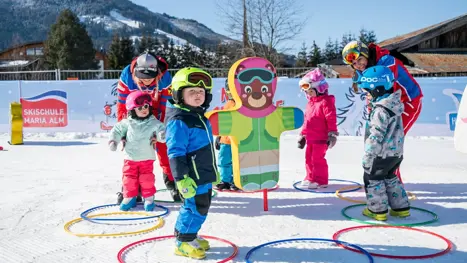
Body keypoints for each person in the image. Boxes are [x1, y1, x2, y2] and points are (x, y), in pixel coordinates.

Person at [342, 40, 423, 183]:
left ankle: (392, 184)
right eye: (354, 64)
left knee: (389, 143)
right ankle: (382, 180)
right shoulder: (363, 72)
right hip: (385, 108)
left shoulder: (386, 61)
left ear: (366, 54)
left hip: (407, 103)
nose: (358, 65)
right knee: (377, 142)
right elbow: (371, 95)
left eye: (360, 59)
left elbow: (383, 87)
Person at [165, 67, 219, 259]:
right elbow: (175, 152)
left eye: (201, 92)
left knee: (202, 206)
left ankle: (191, 234)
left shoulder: (198, 116)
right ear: (179, 95)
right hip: (191, 176)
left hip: (202, 173)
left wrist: (214, 171)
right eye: (192, 92)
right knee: (194, 207)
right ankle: (183, 242)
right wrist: (181, 178)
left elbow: (206, 148)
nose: (198, 95)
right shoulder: (180, 120)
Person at [115, 51, 181, 202]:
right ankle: (131, 188)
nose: (146, 82)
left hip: (157, 113)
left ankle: (173, 183)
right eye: (142, 79)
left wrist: (159, 129)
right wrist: (125, 130)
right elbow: (122, 106)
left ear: (157, 73)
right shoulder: (126, 77)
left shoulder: (165, 78)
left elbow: (167, 106)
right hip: (135, 115)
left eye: (150, 79)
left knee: (165, 150)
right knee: (135, 152)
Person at [357, 65, 410, 221]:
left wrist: (369, 154)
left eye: (367, 92)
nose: (366, 96)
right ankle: (401, 208)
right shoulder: (394, 105)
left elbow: (376, 134)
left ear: (377, 89)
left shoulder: (380, 110)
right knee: (390, 177)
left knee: (372, 178)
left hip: (380, 153)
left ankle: (377, 210)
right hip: (395, 153)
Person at [108, 91, 166, 211]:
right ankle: (129, 198)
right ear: (132, 109)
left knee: (147, 179)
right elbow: (117, 130)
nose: (144, 109)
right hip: (130, 158)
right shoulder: (127, 123)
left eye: (146, 106)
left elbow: (162, 130)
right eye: (139, 107)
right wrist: (113, 141)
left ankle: (149, 198)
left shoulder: (153, 122)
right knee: (129, 179)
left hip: (146, 158)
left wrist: (161, 136)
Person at [297, 68, 338, 189]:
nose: (309, 94)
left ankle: (320, 180)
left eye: (311, 91)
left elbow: (331, 118)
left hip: (321, 138)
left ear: (319, 89)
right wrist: (302, 135)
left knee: (317, 159)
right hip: (310, 138)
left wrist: (332, 134)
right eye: (307, 92)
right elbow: (307, 121)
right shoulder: (310, 103)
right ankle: (310, 178)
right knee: (308, 159)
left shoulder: (326, 102)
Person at [214, 79, 239, 191]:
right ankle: (225, 180)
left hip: (238, 140)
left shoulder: (243, 106)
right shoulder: (228, 104)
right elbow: (222, 122)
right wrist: (219, 136)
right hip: (226, 141)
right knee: (224, 161)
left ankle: (237, 181)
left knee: (238, 161)